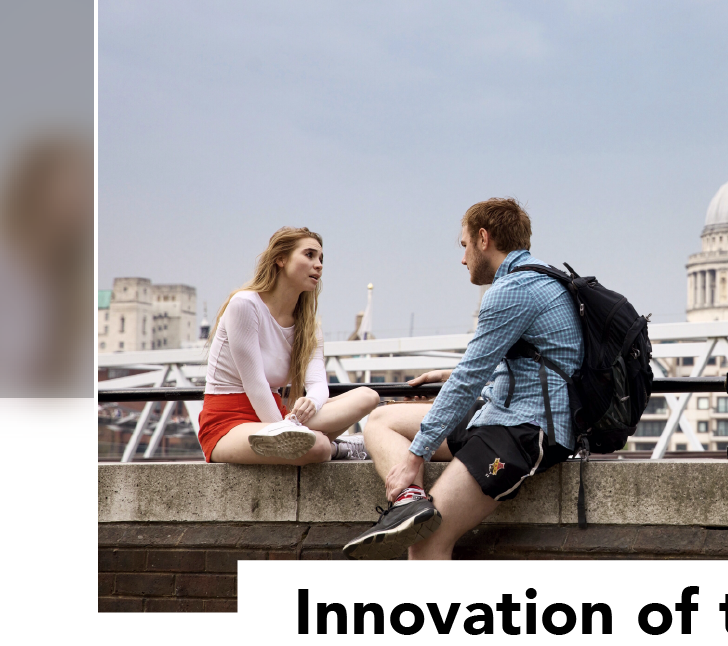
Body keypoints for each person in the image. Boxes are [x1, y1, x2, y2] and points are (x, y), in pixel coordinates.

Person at [342, 198, 581, 560]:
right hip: (501, 414)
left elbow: (468, 382)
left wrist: (414, 458)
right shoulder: (543, 277)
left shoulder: (512, 290)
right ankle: (410, 503)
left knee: (426, 543)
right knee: (381, 419)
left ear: (484, 239)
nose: (463, 258)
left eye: (464, 245)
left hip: (524, 430)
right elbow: (533, 364)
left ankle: (416, 524)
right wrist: (452, 373)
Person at [198, 226, 379, 465]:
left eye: (321, 259)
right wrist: (286, 430)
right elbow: (256, 385)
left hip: (280, 416)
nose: (319, 265)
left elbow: (318, 384)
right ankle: (338, 447)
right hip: (229, 424)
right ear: (281, 259)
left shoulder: (309, 325)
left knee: (368, 396)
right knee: (318, 446)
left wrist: (311, 402)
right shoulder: (245, 304)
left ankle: (312, 441)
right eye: (309, 255)